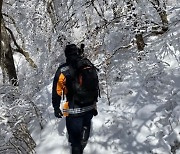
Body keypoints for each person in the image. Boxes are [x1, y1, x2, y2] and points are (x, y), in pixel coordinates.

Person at [52, 44, 99, 154]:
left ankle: (78, 147)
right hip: (90, 106)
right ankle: (83, 141)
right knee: (86, 125)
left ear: (66, 55)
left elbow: (57, 91)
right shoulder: (88, 63)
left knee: (75, 140)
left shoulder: (63, 69)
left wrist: (56, 107)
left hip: (74, 109)